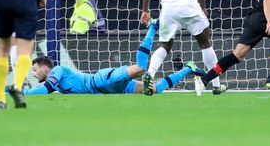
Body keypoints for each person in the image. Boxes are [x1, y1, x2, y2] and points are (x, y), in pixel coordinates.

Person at [25, 22, 203, 95]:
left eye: (34, 69)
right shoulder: (56, 82)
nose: (34, 74)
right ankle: (189, 68)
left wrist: (22, 93)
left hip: (102, 80)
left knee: (141, 68)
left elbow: (44, 90)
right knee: (154, 89)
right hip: (110, 91)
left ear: (45, 68)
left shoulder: (57, 70)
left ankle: (153, 27)